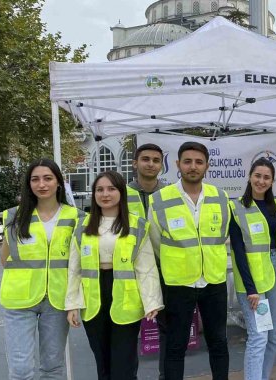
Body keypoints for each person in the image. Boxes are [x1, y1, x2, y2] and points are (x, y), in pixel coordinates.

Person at [66, 171, 162, 380]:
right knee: (103, 364)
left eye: (111, 189)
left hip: (126, 299)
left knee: (124, 364)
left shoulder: (137, 225)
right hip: (94, 300)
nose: (105, 194)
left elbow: (146, 267)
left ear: (121, 192)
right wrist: (72, 304)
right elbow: (75, 269)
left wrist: (151, 301)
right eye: (100, 189)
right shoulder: (82, 226)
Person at [148, 141, 231, 380]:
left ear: (207, 165)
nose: (193, 167)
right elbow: (155, 242)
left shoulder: (221, 197)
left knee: (218, 342)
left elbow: (222, 234)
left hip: (213, 280)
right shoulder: (160, 199)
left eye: (198, 162)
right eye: (187, 161)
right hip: (178, 283)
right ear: (177, 165)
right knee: (175, 346)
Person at [0, 158, 83, 380]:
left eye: (48, 178)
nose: (42, 184)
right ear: (29, 184)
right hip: (19, 299)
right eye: (35, 179)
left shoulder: (76, 218)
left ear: (58, 182)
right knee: (20, 369)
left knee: (53, 367)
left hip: (57, 299)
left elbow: (80, 263)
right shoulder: (13, 216)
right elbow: (5, 259)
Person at [228, 158, 276, 380]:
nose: (261, 181)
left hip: (275, 274)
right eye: (257, 176)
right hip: (252, 282)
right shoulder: (237, 207)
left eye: (266, 177)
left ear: (272, 181)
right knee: (258, 336)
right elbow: (238, 252)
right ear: (250, 177)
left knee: (272, 338)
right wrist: (251, 288)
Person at [126, 143, 168, 379]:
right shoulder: (121, 192)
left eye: (155, 160)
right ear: (135, 163)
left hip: (163, 270)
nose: (150, 164)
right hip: (129, 272)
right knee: (128, 332)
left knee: (166, 329)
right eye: (145, 159)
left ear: (161, 165)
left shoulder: (170, 194)